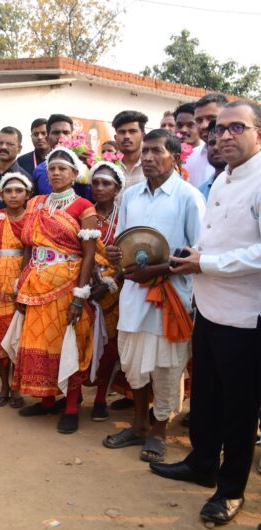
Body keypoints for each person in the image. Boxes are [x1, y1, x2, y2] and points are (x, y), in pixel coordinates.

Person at [150, 102, 261, 526]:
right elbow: (217, 239)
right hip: (210, 309)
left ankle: (230, 490)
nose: (224, 135)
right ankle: (201, 463)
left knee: (239, 408)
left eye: (237, 127)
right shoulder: (222, 180)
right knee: (207, 397)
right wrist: (195, 255)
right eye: (220, 129)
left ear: (258, 133)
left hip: (245, 318)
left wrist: (206, 263)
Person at [103, 129, 203, 463]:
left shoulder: (188, 197)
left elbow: (198, 254)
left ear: (174, 157)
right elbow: (122, 241)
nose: (147, 157)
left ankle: (159, 430)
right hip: (134, 294)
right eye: (144, 151)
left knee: (166, 365)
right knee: (133, 362)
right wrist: (115, 254)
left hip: (171, 296)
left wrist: (157, 270)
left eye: (156, 151)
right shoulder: (131, 196)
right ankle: (138, 425)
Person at [14, 147, 98, 434]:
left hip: (67, 286)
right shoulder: (36, 203)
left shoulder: (84, 207)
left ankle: (71, 406)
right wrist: (21, 283)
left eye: (63, 168)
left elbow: (89, 254)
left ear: (74, 174)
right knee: (39, 343)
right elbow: (29, 245)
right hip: (35, 283)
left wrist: (80, 295)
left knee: (66, 344)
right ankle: (47, 400)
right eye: (52, 168)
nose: (57, 173)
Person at [0, 172, 32, 407]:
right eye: (8, 191)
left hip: (25, 284)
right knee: (2, 339)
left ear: (27, 195)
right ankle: (3, 386)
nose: (13, 195)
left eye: (19, 191)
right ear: (1, 195)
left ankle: (17, 389)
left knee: (20, 338)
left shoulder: (33, 219)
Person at [86, 161, 127, 421]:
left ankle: (101, 397)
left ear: (118, 188)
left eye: (106, 183)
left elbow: (131, 253)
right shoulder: (84, 213)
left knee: (110, 346)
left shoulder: (126, 216)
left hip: (116, 288)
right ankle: (74, 394)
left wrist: (111, 282)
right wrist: (91, 279)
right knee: (84, 341)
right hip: (86, 286)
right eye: (96, 183)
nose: (100, 188)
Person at [32, 114, 90, 198]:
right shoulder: (39, 171)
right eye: (56, 133)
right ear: (47, 139)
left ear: (72, 137)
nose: (61, 137)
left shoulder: (84, 166)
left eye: (66, 133)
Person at [0, 126, 31, 209]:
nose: (3, 147)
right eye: (0, 143)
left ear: (19, 148)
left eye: (9, 144)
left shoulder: (26, 179)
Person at [113, 110, 148, 190]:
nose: (127, 136)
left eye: (132, 131)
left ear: (143, 136)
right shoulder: (109, 165)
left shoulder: (153, 165)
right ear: (115, 137)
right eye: (122, 132)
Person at [174, 103, 206, 186]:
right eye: (179, 125)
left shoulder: (208, 154)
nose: (183, 130)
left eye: (190, 125)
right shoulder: (168, 153)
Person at [197, 121, 225, 201]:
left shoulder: (249, 185)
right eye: (212, 143)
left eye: (221, 142)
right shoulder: (200, 192)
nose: (215, 148)